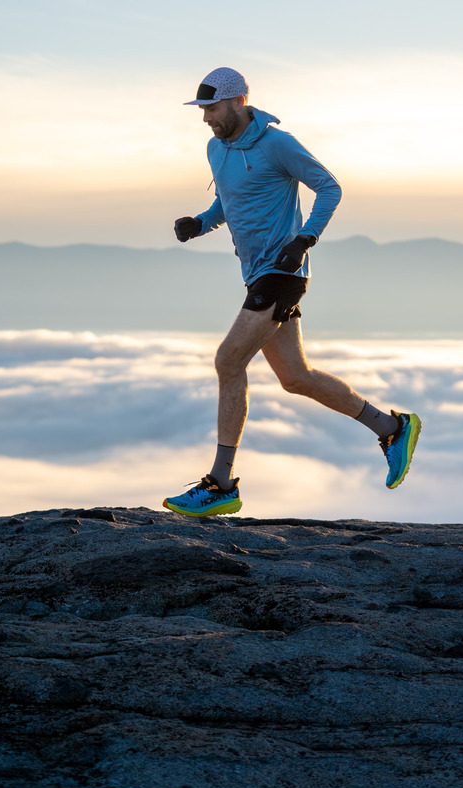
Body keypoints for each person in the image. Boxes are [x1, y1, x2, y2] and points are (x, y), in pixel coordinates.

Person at [163, 66, 421, 517]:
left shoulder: (277, 144)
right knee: (295, 377)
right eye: (202, 109)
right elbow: (229, 199)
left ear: (239, 102)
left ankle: (221, 484)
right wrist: (200, 223)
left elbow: (329, 187)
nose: (206, 118)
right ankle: (392, 427)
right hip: (255, 273)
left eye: (212, 108)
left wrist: (304, 239)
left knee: (228, 361)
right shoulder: (216, 148)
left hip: (283, 273)